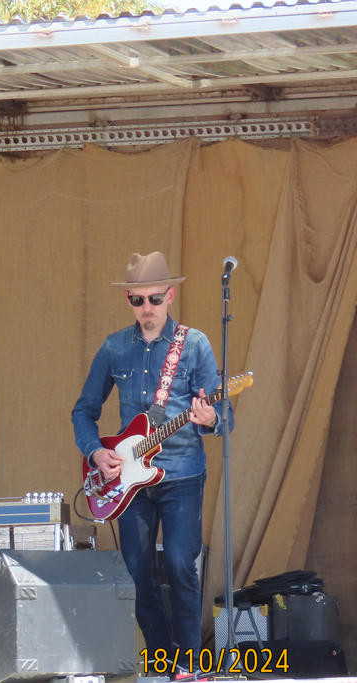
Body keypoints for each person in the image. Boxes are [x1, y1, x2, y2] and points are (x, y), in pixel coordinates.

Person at [72, 251, 233, 660]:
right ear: (128, 300)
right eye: (138, 300)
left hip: (181, 473)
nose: (147, 309)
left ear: (171, 296)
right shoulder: (114, 348)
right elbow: (84, 411)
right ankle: (162, 657)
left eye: (155, 299)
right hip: (128, 480)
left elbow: (224, 418)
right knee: (137, 573)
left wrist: (211, 416)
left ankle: (189, 662)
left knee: (180, 564)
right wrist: (95, 454)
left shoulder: (193, 345)